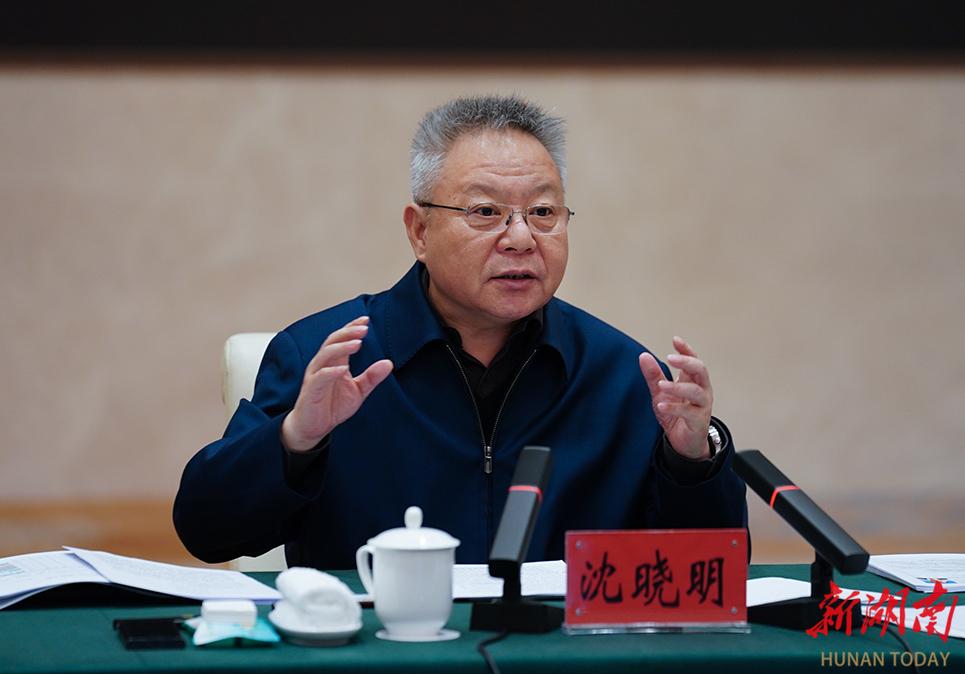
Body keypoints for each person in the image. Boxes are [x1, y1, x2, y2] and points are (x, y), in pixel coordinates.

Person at [174, 95, 747, 569]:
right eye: (485, 212)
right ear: (419, 232)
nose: (521, 238)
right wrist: (295, 440)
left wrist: (691, 462)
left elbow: (708, 571)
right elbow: (207, 533)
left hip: (554, 652)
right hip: (379, 649)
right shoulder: (326, 358)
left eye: (543, 213)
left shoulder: (624, 376)